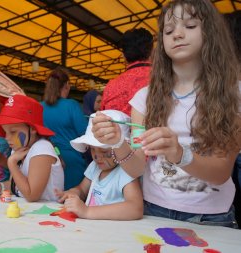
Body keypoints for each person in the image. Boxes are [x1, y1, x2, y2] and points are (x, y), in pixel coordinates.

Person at [92, 0, 240, 228]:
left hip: (210, 217)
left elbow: (221, 172)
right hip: (154, 210)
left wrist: (180, 154)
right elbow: (137, 167)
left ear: (211, 33)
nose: (177, 34)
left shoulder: (233, 93)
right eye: (168, 30)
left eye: (190, 26)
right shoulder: (145, 98)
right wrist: (118, 142)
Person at [56, 110, 143, 220]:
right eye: (93, 149)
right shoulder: (95, 166)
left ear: (122, 149)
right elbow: (82, 189)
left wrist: (87, 211)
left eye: (104, 152)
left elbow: (135, 208)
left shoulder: (126, 172)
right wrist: (73, 193)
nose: (98, 157)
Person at [0, 94, 64, 202]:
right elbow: (17, 186)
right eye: (5, 132)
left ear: (33, 128)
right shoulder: (18, 150)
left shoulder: (42, 149)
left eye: (13, 132)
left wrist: (12, 164)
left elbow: (31, 195)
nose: (7, 137)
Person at [41, 68, 88, 190]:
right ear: (67, 85)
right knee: (72, 201)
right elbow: (84, 134)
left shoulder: (40, 107)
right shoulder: (71, 105)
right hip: (71, 161)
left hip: (46, 159)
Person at [100, 28, 154, 116]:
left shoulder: (110, 87)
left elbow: (104, 116)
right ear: (152, 52)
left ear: (123, 56)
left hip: (117, 129)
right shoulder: (165, 79)